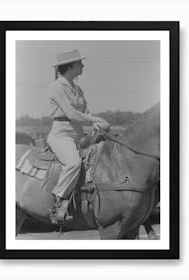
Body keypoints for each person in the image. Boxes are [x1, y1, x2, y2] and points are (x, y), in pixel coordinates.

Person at [47, 49, 110, 224]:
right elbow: (72, 114)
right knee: (74, 162)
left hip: (80, 135)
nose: (82, 65)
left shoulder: (77, 88)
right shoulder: (56, 86)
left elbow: (85, 113)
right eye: (80, 63)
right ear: (72, 66)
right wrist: (95, 119)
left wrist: (96, 123)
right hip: (61, 135)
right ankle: (58, 201)